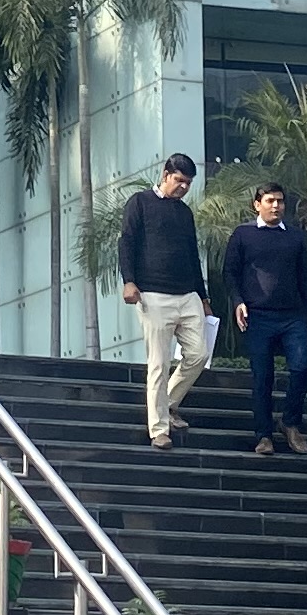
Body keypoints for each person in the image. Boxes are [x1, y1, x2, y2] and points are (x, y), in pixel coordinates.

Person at [115, 153, 211, 446]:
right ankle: (159, 430)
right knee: (159, 363)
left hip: (187, 294)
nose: (183, 187)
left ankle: (167, 403)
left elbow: (193, 254)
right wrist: (129, 281)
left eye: (188, 183)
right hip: (153, 295)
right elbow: (126, 241)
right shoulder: (140, 202)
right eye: (179, 180)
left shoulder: (185, 213)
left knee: (199, 354)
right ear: (166, 174)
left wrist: (203, 296)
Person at [222, 182, 307, 457]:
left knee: (301, 367)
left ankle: (290, 422)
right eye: (269, 201)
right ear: (257, 204)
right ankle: (264, 435)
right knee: (262, 377)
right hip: (258, 316)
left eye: (280, 201)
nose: (276, 206)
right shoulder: (243, 234)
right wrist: (238, 302)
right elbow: (230, 272)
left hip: (293, 316)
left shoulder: (296, 237)